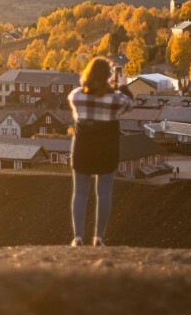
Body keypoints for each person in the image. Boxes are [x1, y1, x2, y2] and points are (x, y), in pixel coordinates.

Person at [67, 56, 134, 247]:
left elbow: (82, 101)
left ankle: (78, 237)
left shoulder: (76, 96)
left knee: (80, 193)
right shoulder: (115, 99)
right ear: (107, 76)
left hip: (83, 151)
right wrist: (122, 86)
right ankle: (99, 237)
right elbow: (129, 104)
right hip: (106, 151)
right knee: (104, 194)